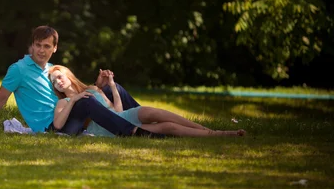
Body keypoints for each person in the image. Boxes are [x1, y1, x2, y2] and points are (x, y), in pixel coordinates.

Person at [0, 26, 162, 137]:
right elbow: (0, 98)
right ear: (32, 45)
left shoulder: (51, 69)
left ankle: (139, 119)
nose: (41, 50)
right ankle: (130, 131)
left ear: (55, 48)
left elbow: (71, 93)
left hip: (68, 114)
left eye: (46, 46)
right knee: (86, 102)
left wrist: (98, 86)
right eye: (38, 45)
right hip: (53, 126)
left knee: (111, 90)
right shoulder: (18, 69)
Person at [49, 65, 247, 137]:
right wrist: (73, 99)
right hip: (104, 130)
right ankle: (220, 134)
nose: (58, 81)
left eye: (60, 76)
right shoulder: (63, 103)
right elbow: (58, 124)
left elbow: (116, 110)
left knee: (152, 112)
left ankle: (207, 130)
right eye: (53, 81)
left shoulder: (92, 89)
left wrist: (112, 85)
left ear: (68, 74)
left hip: (122, 117)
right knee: (169, 127)